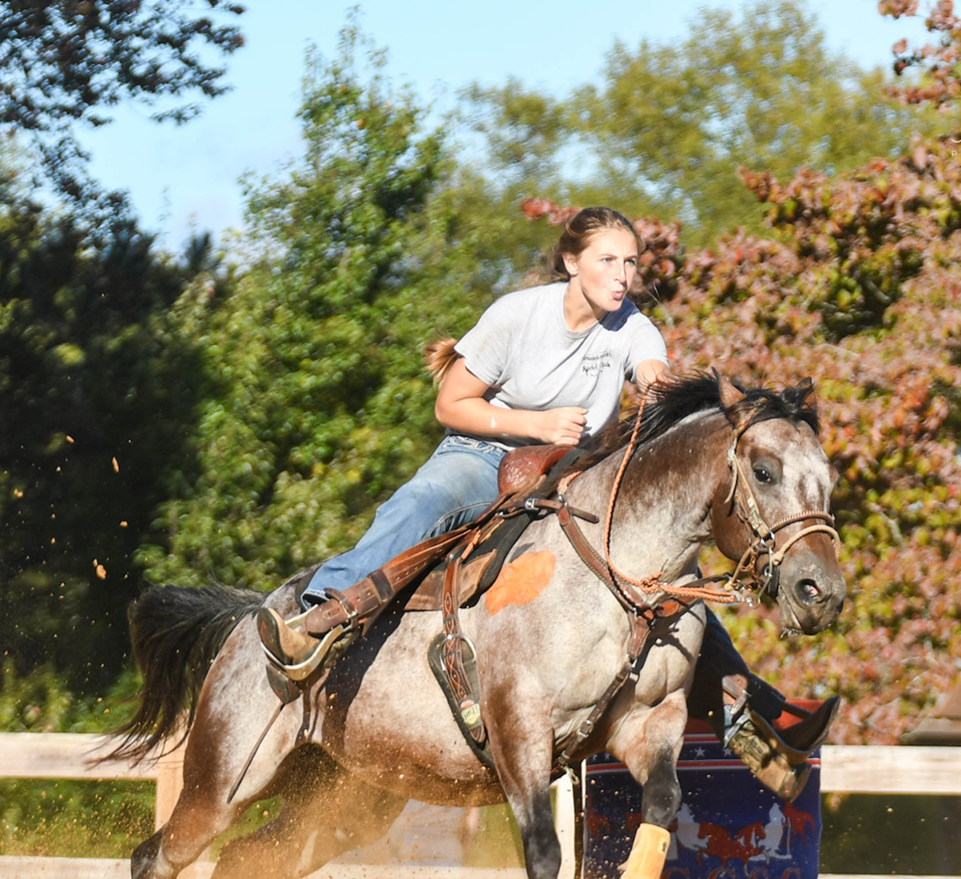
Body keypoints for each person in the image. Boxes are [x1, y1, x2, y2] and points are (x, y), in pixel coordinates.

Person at [258, 206, 835, 796]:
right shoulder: (516, 316)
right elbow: (451, 405)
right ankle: (318, 617)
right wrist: (536, 424)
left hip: (576, 475)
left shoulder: (632, 327)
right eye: (607, 261)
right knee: (420, 502)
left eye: (631, 263)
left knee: (662, 585)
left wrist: (690, 406)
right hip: (483, 454)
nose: (622, 276)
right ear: (570, 262)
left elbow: (655, 378)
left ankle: (757, 722)